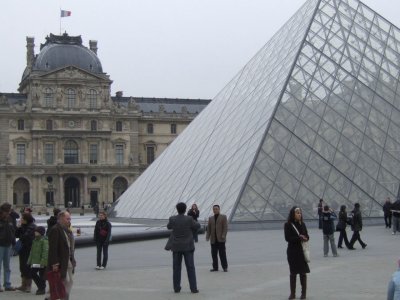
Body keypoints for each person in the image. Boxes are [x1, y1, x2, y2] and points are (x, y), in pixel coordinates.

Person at [167, 202, 200, 293]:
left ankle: (176, 288)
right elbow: (198, 226)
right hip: (188, 247)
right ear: (185, 209)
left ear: (177, 209)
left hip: (176, 247)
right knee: (190, 267)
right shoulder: (189, 219)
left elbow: (168, 227)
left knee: (176, 268)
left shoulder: (172, 219)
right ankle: (193, 288)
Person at [47, 211, 75, 300]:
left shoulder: (66, 229)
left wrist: (72, 258)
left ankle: (53, 297)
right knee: (63, 282)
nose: (69, 220)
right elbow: (53, 248)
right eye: (67, 219)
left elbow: (69, 245)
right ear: (61, 218)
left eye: (69, 218)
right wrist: (54, 263)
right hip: (61, 261)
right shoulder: (55, 229)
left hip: (67, 260)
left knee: (67, 282)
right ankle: (53, 297)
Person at [284, 207, 310, 300]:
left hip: (301, 252)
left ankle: (303, 294)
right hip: (292, 252)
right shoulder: (288, 225)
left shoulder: (302, 224)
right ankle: (293, 294)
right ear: (293, 214)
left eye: (300, 213)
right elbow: (287, 238)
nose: (300, 214)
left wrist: (306, 238)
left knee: (303, 273)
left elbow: (307, 235)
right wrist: (299, 238)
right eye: (297, 213)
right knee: (293, 272)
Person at [15, 212, 36, 293]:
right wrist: (19, 227)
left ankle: (28, 285)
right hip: (23, 249)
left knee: (27, 267)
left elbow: (25, 237)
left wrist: (21, 232)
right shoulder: (23, 226)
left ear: (26, 219)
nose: (21, 220)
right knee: (22, 266)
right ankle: (23, 284)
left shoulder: (32, 226)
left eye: (22, 219)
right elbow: (16, 235)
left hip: (29, 249)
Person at [206, 204, 228, 272]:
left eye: (216, 209)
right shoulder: (211, 218)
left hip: (221, 239)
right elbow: (209, 228)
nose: (215, 210)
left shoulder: (223, 217)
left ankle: (225, 267)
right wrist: (207, 236)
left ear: (219, 209)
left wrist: (224, 235)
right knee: (214, 254)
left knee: (222, 254)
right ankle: (215, 267)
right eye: (214, 209)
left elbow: (225, 227)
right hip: (213, 239)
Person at [0, 202, 17, 292]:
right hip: (0, 245)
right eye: (8, 211)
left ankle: (7, 284)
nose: (9, 213)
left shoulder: (10, 218)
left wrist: (13, 242)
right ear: (3, 211)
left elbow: (12, 230)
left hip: (8, 244)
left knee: (7, 266)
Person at [27, 226, 48, 295]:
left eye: (37, 231)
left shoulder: (44, 241)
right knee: (32, 273)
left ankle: (41, 289)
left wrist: (43, 262)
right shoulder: (35, 240)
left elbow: (45, 252)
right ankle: (42, 286)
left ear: (40, 233)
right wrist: (29, 261)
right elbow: (31, 252)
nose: (35, 232)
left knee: (42, 275)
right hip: (35, 262)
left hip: (41, 262)